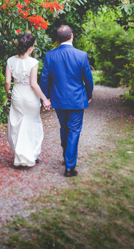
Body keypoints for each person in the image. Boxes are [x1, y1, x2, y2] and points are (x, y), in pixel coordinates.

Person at [40, 25, 94, 178]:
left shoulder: (50, 56)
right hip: (77, 99)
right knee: (74, 130)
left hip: (59, 99)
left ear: (58, 39)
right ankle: (69, 167)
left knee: (65, 127)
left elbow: (44, 79)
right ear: (72, 36)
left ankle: (66, 156)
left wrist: (46, 97)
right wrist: (89, 94)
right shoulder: (81, 55)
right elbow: (88, 79)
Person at [5, 33, 52, 167]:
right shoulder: (33, 62)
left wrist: (7, 93)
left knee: (17, 125)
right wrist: (45, 99)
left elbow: (7, 81)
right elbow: (33, 84)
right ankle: (32, 154)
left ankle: (19, 155)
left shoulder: (10, 61)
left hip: (17, 95)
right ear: (30, 48)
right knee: (33, 124)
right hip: (30, 97)